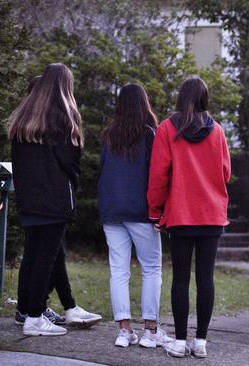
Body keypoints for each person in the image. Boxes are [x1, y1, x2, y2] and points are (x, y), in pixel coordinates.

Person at [8, 63, 102, 336]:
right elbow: (71, 163)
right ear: (65, 86)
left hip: (29, 197)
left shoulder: (24, 119)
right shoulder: (64, 120)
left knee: (34, 256)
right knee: (45, 259)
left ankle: (28, 311)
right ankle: (35, 317)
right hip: (55, 199)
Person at [147, 76, 231, 358]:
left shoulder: (167, 129)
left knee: (180, 278)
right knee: (206, 278)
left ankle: (181, 342)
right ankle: (202, 342)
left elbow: (158, 174)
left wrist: (155, 210)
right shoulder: (217, 131)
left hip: (181, 214)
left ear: (181, 98)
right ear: (205, 98)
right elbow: (226, 172)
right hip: (212, 213)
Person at [98, 84, 173, 348]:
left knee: (118, 270)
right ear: (144, 104)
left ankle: (124, 331)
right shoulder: (149, 135)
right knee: (151, 268)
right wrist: (159, 209)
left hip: (111, 210)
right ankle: (150, 331)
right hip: (141, 211)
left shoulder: (108, 136)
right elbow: (157, 176)